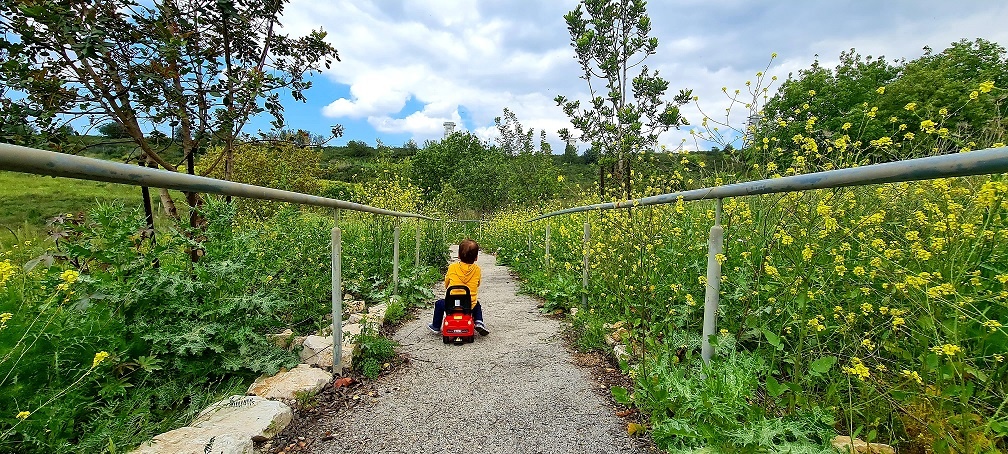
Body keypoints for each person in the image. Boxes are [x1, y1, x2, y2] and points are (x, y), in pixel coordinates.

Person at [429, 238, 490, 336]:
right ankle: (479, 321)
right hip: (469, 305)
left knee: (439, 304)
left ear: (458, 255)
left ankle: (436, 326)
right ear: (476, 258)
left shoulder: (452, 267)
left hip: (451, 305)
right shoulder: (477, 269)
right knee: (477, 304)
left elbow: (447, 283)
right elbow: (478, 284)